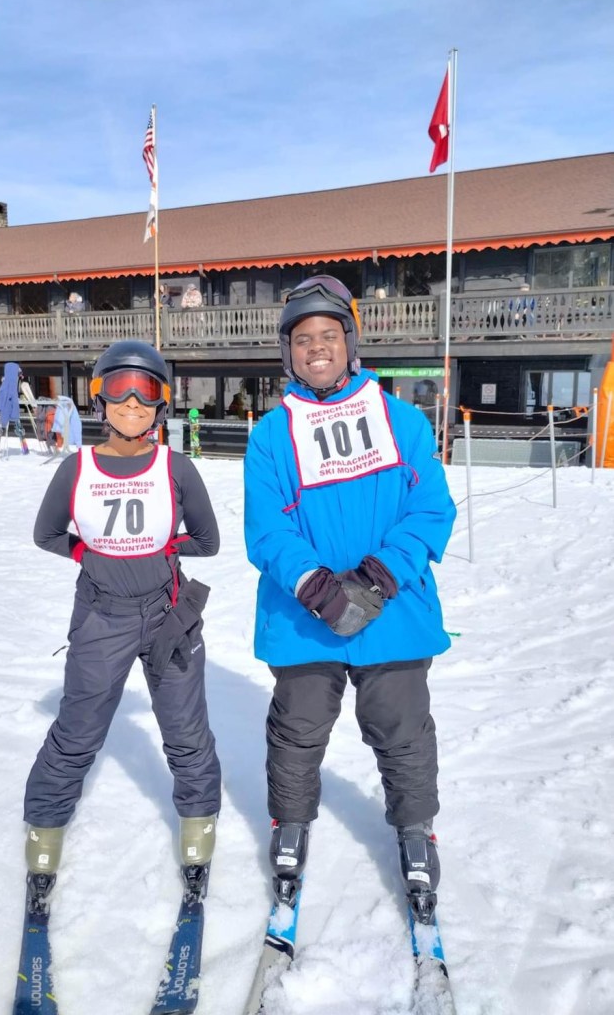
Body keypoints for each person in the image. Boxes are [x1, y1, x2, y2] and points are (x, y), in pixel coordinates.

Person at [243, 275, 455, 924]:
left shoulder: (402, 419)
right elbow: (267, 525)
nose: (315, 349)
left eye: (327, 336)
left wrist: (376, 579)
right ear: (289, 353)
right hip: (305, 613)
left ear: (348, 343)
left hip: (390, 608)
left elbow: (429, 508)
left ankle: (415, 829)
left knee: (401, 729)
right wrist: (316, 588)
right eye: (302, 339)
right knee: (297, 731)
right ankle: (291, 824)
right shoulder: (271, 434)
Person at [22, 339, 221, 910]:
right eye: (118, 389)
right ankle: (45, 833)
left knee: (186, 735)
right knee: (77, 734)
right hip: (101, 617)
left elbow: (207, 540)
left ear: (162, 404)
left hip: (167, 616)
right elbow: (47, 534)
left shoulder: (174, 467)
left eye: (147, 390)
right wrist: (91, 556)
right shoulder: (77, 467)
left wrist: (161, 552)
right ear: (98, 398)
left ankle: (197, 831)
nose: (132, 401)